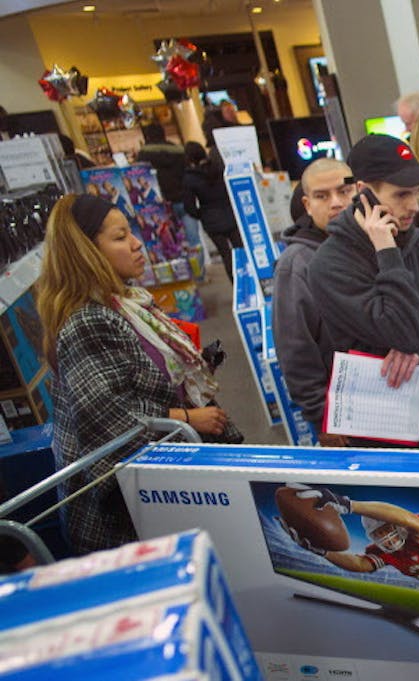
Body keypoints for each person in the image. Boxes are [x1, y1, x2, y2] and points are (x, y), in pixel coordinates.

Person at [37, 194, 240, 554]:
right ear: (85, 251)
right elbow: (113, 425)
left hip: (159, 488)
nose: (136, 245)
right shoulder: (88, 321)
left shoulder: (127, 303)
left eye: (130, 233)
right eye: (119, 238)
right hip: (129, 518)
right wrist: (189, 418)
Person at [307, 134, 419, 449]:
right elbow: (403, 332)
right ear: (365, 193)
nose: (413, 206)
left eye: (417, 192)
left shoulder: (418, 247)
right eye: (401, 195)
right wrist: (387, 252)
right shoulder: (330, 265)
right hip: (380, 435)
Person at [278, 484, 419, 603]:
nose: (387, 538)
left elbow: (407, 519)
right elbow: (359, 565)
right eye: (379, 533)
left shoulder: (417, 534)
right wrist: (323, 552)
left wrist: (349, 505)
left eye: (388, 530)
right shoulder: (382, 552)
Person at [272, 158, 355, 446]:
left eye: (344, 192)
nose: (336, 203)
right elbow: (296, 350)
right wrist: (322, 417)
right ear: (307, 205)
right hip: (343, 413)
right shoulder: (296, 265)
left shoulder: (377, 241)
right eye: (322, 196)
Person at [181, 142, 241, 280]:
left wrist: (201, 214)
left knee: (226, 255)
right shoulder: (219, 168)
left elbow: (189, 207)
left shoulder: (190, 178)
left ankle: (236, 285)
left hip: (211, 220)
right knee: (241, 250)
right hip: (230, 214)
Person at [134, 123, 186, 204]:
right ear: (163, 134)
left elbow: (142, 174)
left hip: (161, 200)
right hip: (182, 195)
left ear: (147, 136)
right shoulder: (177, 149)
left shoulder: (144, 154)